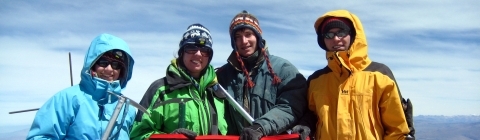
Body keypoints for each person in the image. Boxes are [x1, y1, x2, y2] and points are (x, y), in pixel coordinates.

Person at [307, 9, 415, 139]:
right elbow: (309, 118)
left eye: (341, 32)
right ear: (322, 40)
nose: (335, 39)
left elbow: (397, 129)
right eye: (328, 35)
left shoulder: (380, 74)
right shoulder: (316, 80)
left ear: (353, 35)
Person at [215, 10, 310, 140]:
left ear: (258, 36)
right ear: (233, 42)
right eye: (237, 37)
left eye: (248, 34)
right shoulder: (222, 75)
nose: (244, 41)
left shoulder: (283, 69)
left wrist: (261, 127)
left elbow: (291, 107)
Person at [27, 33, 136, 139]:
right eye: (103, 62)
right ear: (92, 64)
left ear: (122, 71)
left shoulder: (127, 109)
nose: (109, 69)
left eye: (116, 65)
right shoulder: (68, 99)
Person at [130, 23, 228, 140]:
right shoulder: (161, 90)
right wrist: (169, 138)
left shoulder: (218, 93)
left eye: (205, 50)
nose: (198, 54)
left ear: (209, 56)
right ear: (182, 52)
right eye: (191, 48)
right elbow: (138, 134)